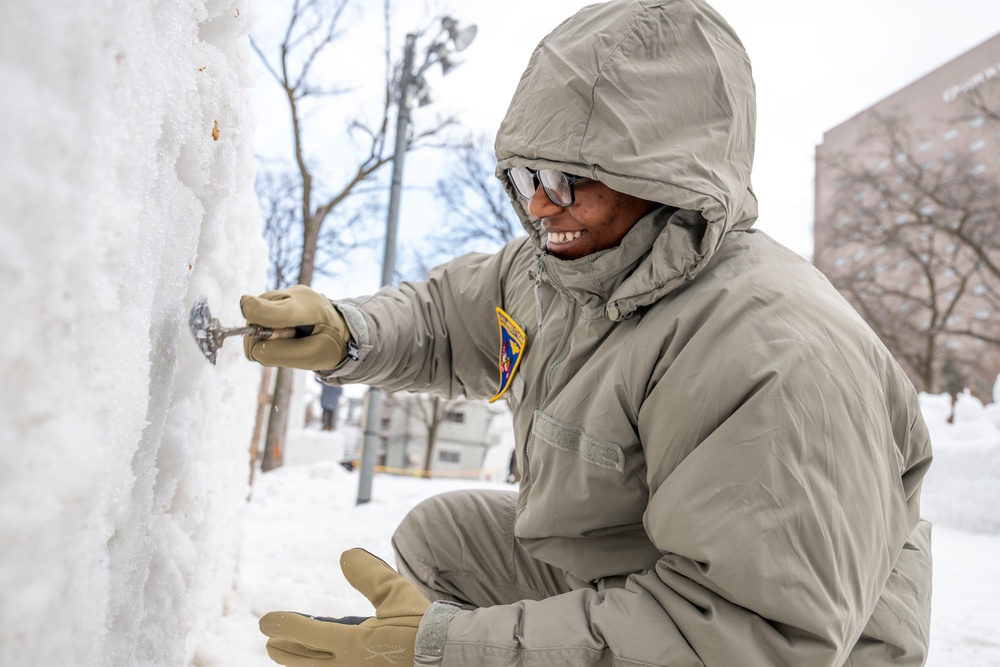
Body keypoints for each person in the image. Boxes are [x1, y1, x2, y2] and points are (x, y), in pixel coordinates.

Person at [241, 0, 933, 665]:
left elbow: (749, 638)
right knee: (443, 540)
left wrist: (445, 648)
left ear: (668, 176)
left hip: (774, 637)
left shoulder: (771, 351)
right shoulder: (564, 268)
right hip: (639, 572)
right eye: (525, 174)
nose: (540, 204)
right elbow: (444, 319)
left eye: (567, 177)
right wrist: (348, 331)